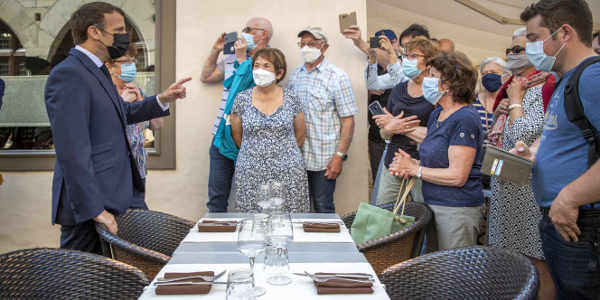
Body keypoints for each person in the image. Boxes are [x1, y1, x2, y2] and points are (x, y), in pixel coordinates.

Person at [44, 2, 190, 253]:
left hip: (114, 194)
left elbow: (120, 113)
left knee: (111, 278)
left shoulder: (96, 70)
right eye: (119, 29)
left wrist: (162, 99)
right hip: (90, 206)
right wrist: (94, 209)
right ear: (95, 32)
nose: (125, 35)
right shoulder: (69, 74)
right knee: (81, 281)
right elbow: (72, 150)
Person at [515, 1, 600, 298]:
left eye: (535, 38)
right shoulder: (567, 80)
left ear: (564, 33)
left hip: (582, 223)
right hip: (562, 220)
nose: (530, 48)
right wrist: (536, 154)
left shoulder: (592, 77)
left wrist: (570, 197)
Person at [487, 27, 556, 300]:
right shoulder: (511, 87)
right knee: (509, 260)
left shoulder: (545, 87)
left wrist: (515, 102)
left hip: (529, 188)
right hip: (506, 187)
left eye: (520, 49)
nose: (513, 55)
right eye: (510, 50)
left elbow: (520, 137)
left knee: (537, 262)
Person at [389, 53, 484, 250]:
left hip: (456, 209)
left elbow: (457, 176)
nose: (425, 80)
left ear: (448, 84)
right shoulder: (437, 114)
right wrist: (412, 164)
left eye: (432, 75)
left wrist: (417, 171)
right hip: (432, 204)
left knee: (453, 275)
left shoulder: (465, 118)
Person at [200, 17, 273, 212]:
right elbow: (206, 77)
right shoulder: (232, 57)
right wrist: (216, 50)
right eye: (244, 29)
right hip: (222, 137)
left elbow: (250, 91)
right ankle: (216, 240)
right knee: (217, 198)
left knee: (255, 199)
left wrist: (243, 61)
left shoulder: (270, 61)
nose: (244, 33)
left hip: (251, 142)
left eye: (249, 29)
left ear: (263, 34)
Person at [230, 48, 309, 213]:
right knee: (253, 223)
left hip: (288, 172)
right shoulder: (242, 99)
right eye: (256, 65)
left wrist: (281, 154)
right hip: (250, 172)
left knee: (288, 221)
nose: (260, 70)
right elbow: (237, 136)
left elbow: (300, 135)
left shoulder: (292, 98)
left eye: (266, 66)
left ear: (279, 73)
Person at [288, 26, 357, 213]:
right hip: (297, 157)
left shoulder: (337, 76)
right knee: (297, 208)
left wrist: (339, 157)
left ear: (324, 47)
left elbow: (348, 121)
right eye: (302, 44)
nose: (305, 48)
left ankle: (326, 243)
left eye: (311, 44)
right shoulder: (295, 76)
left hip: (324, 159)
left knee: (322, 208)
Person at [372, 37, 439, 205]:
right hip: (393, 163)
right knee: (382, 214)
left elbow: (438, 135)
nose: (407, 60)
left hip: (423, 165)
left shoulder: (435, 92)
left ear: (429, 62)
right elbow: (385, 133)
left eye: (414, 56)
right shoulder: (398, 89)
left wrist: (397, 124)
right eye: (406, 55)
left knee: (425, 218)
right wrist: (389, 128)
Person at [104, 44, 164, 203]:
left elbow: (158, 124)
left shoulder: (138, 91)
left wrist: (141, 102)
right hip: (115, 170)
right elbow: (104, 126)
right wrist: (123, 104)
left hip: (138, 169)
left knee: (137, 215)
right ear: (109, 66)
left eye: (132, 62)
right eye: (125, 62)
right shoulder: (104, 94)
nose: (131, 66)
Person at [342, 27, 397, 185]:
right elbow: (360, 101)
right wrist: (370, 91)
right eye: (378, 46)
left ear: (395, 44)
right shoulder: (371, 68)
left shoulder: (403, 67)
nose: (382, 50)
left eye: (386, 44)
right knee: (380, 184)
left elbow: (385, 58)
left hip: (400, 137)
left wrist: (358, 41)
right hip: (376, 136)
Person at [363, 24, 431, 91]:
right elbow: (372, 85)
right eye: (403, 47)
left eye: (409, 46)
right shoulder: (403, 70)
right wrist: (373, 58)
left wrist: (391, 52)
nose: (406, 51)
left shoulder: (433, 76)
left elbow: (399, 81)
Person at [474, 56, 505, 136]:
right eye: (484, 73)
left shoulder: (509, 101)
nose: (488, 76)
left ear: (505, 75)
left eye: (493, 72)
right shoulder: (472, 100)